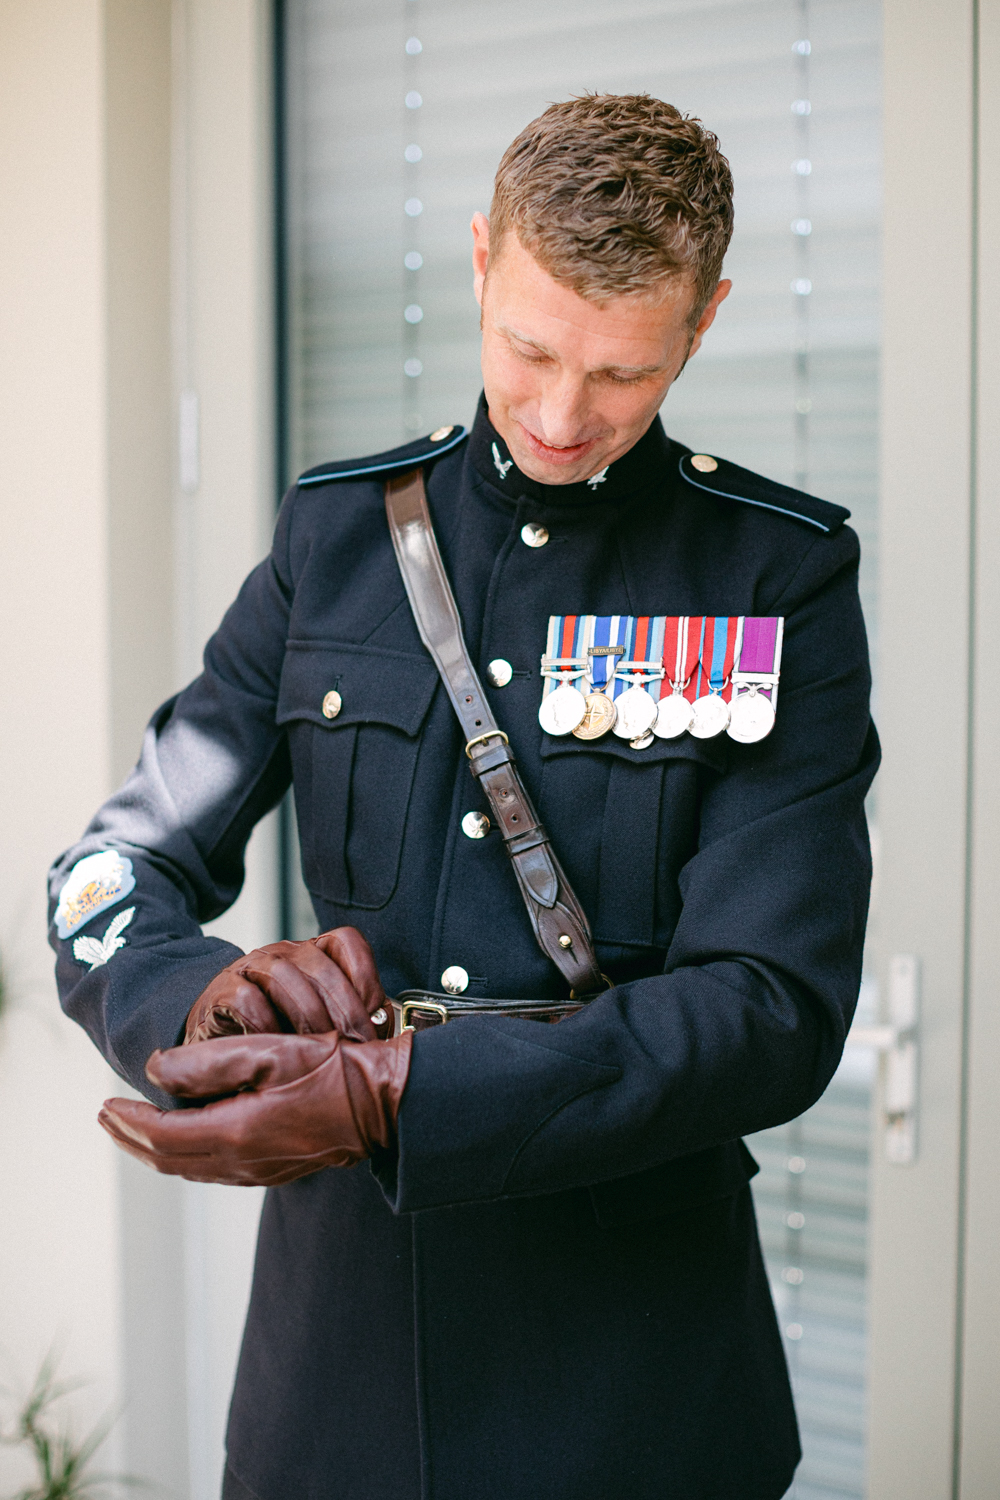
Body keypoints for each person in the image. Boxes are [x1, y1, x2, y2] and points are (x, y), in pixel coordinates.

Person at [49, 94, 878, 1500]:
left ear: (707, 318)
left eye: (624, 372)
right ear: (484, 263)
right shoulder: (335, 537)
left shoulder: (771, 578)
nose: (565, 414)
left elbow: (771, 1009)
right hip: (336, 1372)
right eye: (532, 349)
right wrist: (198, 1002)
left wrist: (400, 1093)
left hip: (635, 1377)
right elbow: (119, 863)